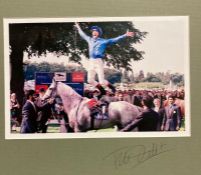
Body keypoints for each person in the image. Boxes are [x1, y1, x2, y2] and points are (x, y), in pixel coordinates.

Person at [74, 22, 134, 92]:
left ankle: (111, 87)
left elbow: (114, 40)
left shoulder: (103, 41)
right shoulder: (89, 39)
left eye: (96, 31)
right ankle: (101, 90)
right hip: (91, 61)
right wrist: (78, 27)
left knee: (102, 81)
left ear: (98, 33)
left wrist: (124, 35)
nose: (94, 32)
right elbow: (82, 34)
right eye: (93, 31)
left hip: (98, 61)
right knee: (90, 80)